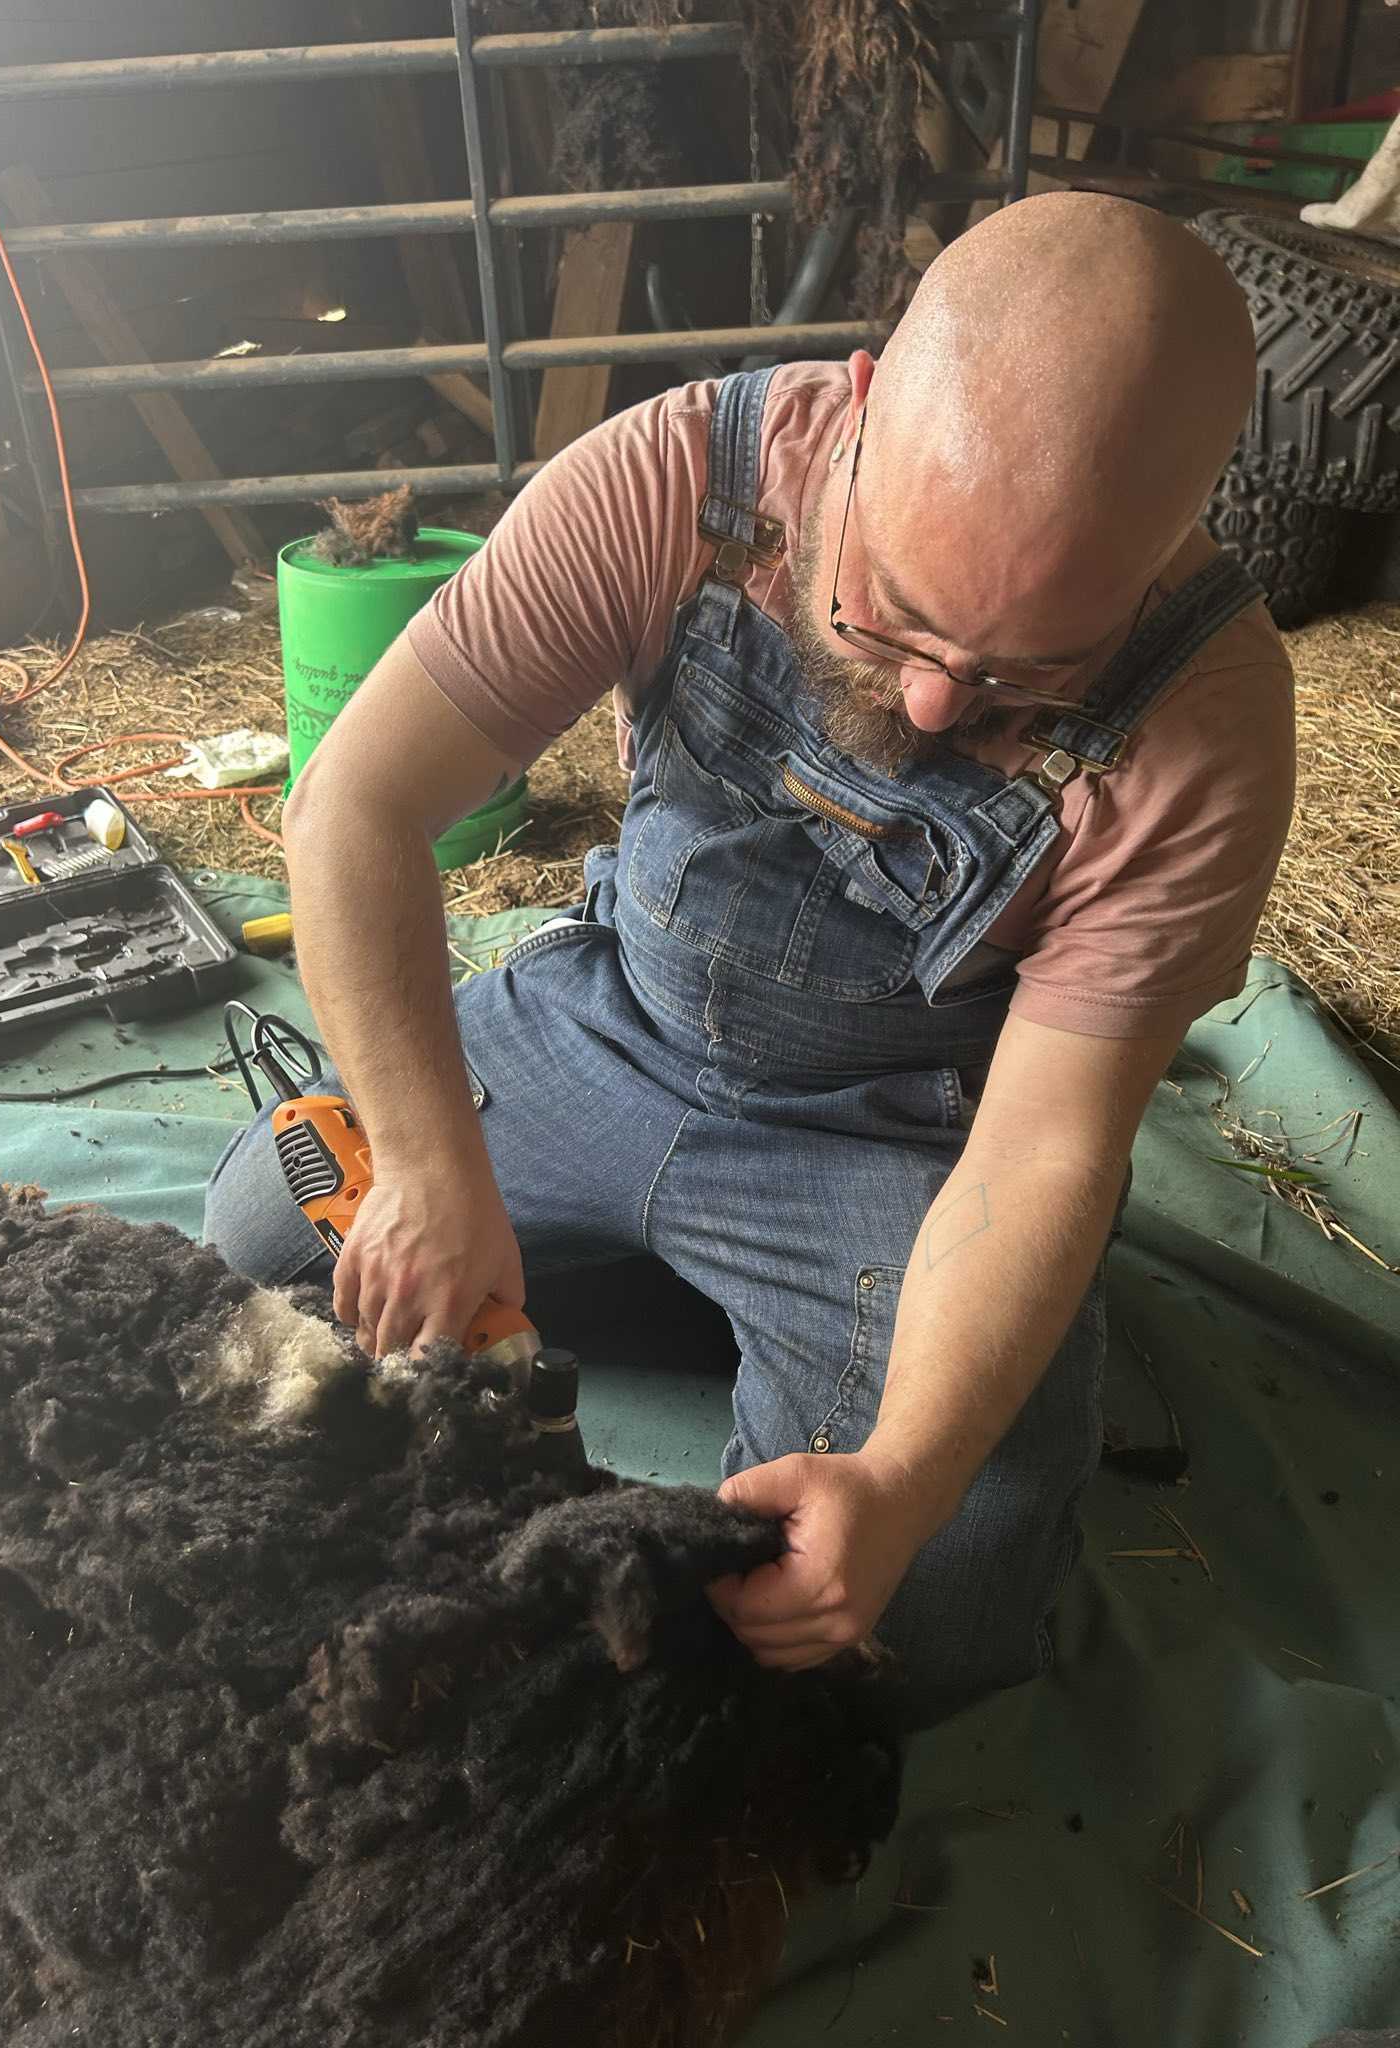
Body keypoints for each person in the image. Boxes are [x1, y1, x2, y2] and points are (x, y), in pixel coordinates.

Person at [206, 193, 1295, 1726]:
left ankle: (757, 1316)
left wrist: (905, 1477)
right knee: (270, 1228)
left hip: (898, 1137)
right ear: (856, 407)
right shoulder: (677, 478)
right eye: (899, 618)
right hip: (620, 1017)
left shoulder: (1210, 724)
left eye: (1023, 674)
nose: (929, 708)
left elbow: (1050, 1149)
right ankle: (683, 1285)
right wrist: (437, 1166)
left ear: (1173, 542)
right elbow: (352, 810)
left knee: (935, 1598)